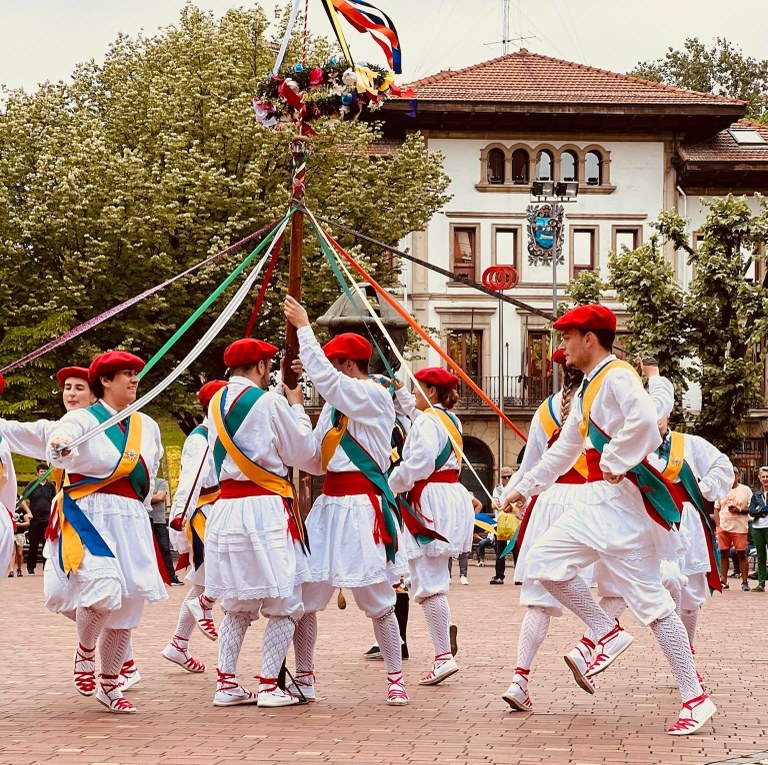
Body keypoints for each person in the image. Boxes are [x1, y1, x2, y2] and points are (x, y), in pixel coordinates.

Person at [502, 304, 715, 735]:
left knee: (653, 603)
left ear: (589, 339)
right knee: (543, 562)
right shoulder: (587, 387)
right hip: (600, 501)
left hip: (621, 504)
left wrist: (617, 459)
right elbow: (564, 448)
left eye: (566, 337)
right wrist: (524, 486)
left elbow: (646, 424)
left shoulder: (617, 375)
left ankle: (694, 696)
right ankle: (606, 630)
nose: (560, 346)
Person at [284, 295, 409, 706]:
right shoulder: (334, 411)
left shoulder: (373, 396)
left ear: (349, 367)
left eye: (334, 368)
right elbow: (316, 460)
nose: (328, 378)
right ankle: (304, 677)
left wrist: (304, 328)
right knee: (305, 598)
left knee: (378, 601)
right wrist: (295, 408)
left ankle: (395, 678)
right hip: (330, 506)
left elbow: (331, 384)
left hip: (363, 509)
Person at [0, 365, 141, 690]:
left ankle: (110, 662)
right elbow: (10, 430)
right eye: (67, 388)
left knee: (113, 592)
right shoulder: (55, 428)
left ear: (95, 394)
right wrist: (60, 443)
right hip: (72, 522)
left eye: (79, 388)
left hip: (117, 524)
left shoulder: (129, 429)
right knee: (62, 597)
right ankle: (110, 648)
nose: (71, 394)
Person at [47, 351, 167, 714]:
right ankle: (85, 651)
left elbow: (150, 468)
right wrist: (59, 445)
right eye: (126, 374)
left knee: (127, 603)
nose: (134, 380)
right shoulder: (84, 418)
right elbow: (63, 435)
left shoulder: (147, 424)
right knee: (103, 587)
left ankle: (110, 685)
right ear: (105, 381)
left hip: (130, 517)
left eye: (135, 374)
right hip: (91, 513)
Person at [203, 339, 318, 708]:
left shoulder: (215, 404)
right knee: (286, 599)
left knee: (238, 601)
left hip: (227, 509)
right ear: (260, 368)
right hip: (265, 507)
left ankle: (226, 683)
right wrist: (298, 407)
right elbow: (302, 450)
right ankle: (269, 684)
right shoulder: (269, 402)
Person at [498, 348, 586, 712]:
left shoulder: (544, 410)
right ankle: (589, 648)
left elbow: (530, 464)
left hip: (548, 505)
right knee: (623, 582)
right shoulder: (599, 400)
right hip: (591, 501)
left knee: (539, 598)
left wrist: (507, 495)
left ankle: (520, 679)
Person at [389, 366, 474, 686]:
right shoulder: (449, 418)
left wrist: (391, 482)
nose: (413, 394)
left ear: (432, 392)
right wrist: (400, 391)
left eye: (418, 388)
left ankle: (442, 657)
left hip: (430, 500)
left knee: (427, 582)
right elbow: (414, 410)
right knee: (427, 577)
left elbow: (419, 462)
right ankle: (444, 640)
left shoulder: (427, 421)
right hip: (448, 495)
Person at [165, 380, 227, 673]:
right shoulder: (202, 438)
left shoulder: (217, 434)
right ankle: (204, 605)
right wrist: (180, 521)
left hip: (215, 510)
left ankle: (179, 643)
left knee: (204, 580)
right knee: (220, 575)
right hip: (207, 513)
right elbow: (189, 483)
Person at [715, 470, 753, 591]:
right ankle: (723, 580)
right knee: (723, 553)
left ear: (737, 476)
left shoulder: (745, 490)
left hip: (740, 527)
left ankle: (745, 581)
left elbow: (751, 507)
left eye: (733, 475)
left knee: (742, 553)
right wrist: (718, 526)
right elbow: (717, 509)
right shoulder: (721, 489)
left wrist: (739, 510)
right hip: (724, 526)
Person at [150, 473, 182, 586]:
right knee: (147, 551)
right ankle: (151, 579)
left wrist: (144, 498)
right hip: (144, 520)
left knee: (164, 549)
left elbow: (160, 497)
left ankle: (171, 577)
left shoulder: (161, 482)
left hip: (159, 521)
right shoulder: (143, 481)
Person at [24, 464, 56, 574]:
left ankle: (45, 566)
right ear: (37, 473)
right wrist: (28, 511)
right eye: (41, 471)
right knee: (33, 544)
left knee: (47, 544)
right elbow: (22, 498)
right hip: (35, 520)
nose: (43, 473)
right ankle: (30, 567)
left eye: (45, 471)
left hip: (47, 519)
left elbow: (54, 500)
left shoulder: (51, 486)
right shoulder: (32, 485)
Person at [489, 468, 514, 584]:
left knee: (517, 549)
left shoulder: (517, 487)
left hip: (514, 522)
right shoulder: (498, 489)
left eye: (509, 476)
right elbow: (494, 504)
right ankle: (499, 576)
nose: (507, 479)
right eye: (504, 477)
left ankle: (519, 576)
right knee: (500, 551)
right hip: (501, 523)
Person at [748, 466, 768, 592]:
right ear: (759, 479)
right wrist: (762, 510)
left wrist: (759, 510)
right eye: (763, 477)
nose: (765, 479)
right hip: (757, 527)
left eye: (767, 477)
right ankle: (761, 583)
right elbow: (751, 511)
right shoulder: (756, 495)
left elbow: (758, 510)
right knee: (761, 556)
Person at [9, 498, 31, 577]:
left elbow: (28, 523)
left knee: (19, 553)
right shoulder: (9, 509)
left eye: (17, 500)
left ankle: (19, 568)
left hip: (20, 533)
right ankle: (11, 571)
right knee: (12, 553)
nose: (15, 501)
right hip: (11, 533)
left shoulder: (22, 510)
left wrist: (19, 524)